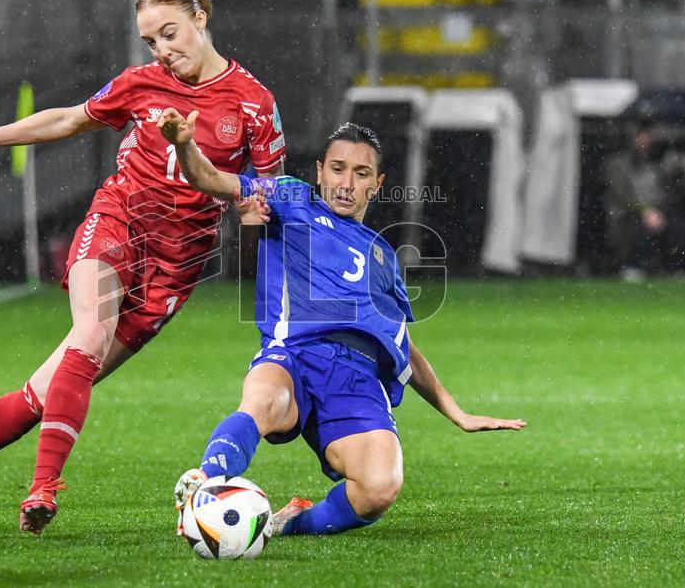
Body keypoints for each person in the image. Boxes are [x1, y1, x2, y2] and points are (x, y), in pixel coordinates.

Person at [0, 0, 286, 535]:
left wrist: (253, 213)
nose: (163, 50)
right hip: (118, 222)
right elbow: (68, 118)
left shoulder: (255, 104)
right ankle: (43, 488)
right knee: (89, 336)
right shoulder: (142, 84)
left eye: (170, 33)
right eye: (151, 41)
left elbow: (270, 194)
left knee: (43, 395)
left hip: (175, 266)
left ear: (201, 18)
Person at [159, 115, 525, 538]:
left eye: (361, 173)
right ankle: (203, 487)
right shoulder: (289, 198)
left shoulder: (385, 257)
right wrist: (185, 145)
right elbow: (209, 178)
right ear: (319, 172)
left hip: (356, 377)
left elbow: (402, 344)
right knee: (262, 401)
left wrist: (455, 411)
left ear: (377, 183)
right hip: (292, 355)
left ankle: (283, 526)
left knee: (379, 487)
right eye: (337, 169)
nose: (347, 182)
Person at [605, 122, 685, 281]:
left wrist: (679, 171)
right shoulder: (619, 164)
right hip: (629, 212)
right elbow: (621, 194)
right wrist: (644, 210)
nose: (646, 141)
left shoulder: (655, 164)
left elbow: (669, 190)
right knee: (642, 229)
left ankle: (674, 267)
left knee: (680, 228)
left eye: (648, 137)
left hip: (658, 211)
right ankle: (636, 266)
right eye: (642, 136)